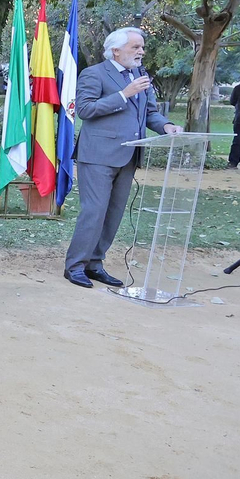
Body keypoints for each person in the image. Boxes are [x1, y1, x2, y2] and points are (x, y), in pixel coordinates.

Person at [64, 26, 184, 288]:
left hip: (129, 155)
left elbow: (149, 112)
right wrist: (123, 94)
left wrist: (166, 126)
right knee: (94, 212)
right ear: (115, 50)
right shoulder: (94, 73)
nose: (141, 51)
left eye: (141, 47)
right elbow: (84, 109)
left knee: (113, 213)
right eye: (136, 47)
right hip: (97, 155)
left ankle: (95, 264)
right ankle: (75, 266)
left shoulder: (140, 75)